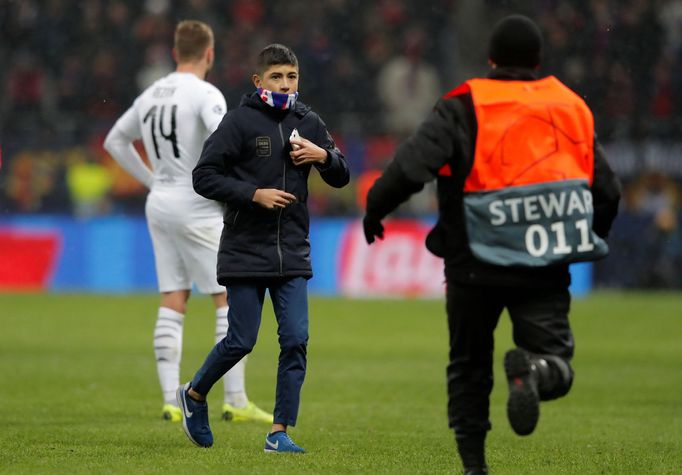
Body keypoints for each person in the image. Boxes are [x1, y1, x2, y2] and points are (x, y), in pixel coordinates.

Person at [363, 15, 621, 475]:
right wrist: (587, 234)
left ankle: (474, 468)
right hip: (543, 261)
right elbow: (608, 191)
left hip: (472, 261)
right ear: (539, 60)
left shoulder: (464, 103)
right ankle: (536, 373)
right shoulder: (570, 105)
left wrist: (377, 208)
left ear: (491, 59)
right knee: (557, 361)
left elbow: (412, 166)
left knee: (469, 367)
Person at [176, 43, 350, 453]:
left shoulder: (309, 123)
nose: (285, 84)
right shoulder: (237, 123)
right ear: (258, 81)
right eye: (276, 76)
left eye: (291, 77)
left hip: (292, 249)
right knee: (241, 339)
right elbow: (204, 176)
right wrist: (253, 194)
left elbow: (342, 175)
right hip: (244, 248)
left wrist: (324, 156)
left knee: (295, 339)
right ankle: (195, 394)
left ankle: (279, 432)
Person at [103, 20, 272, 424]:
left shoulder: (151, 94)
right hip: (196, 204)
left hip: (159, 203)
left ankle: (167, 399)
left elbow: (115, 141)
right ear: (209, 54)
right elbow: (226, 139)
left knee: (173, 297)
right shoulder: (205, 93)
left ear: (176, 52)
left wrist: (151, 181)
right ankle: (234, 398)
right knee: (228, 297)